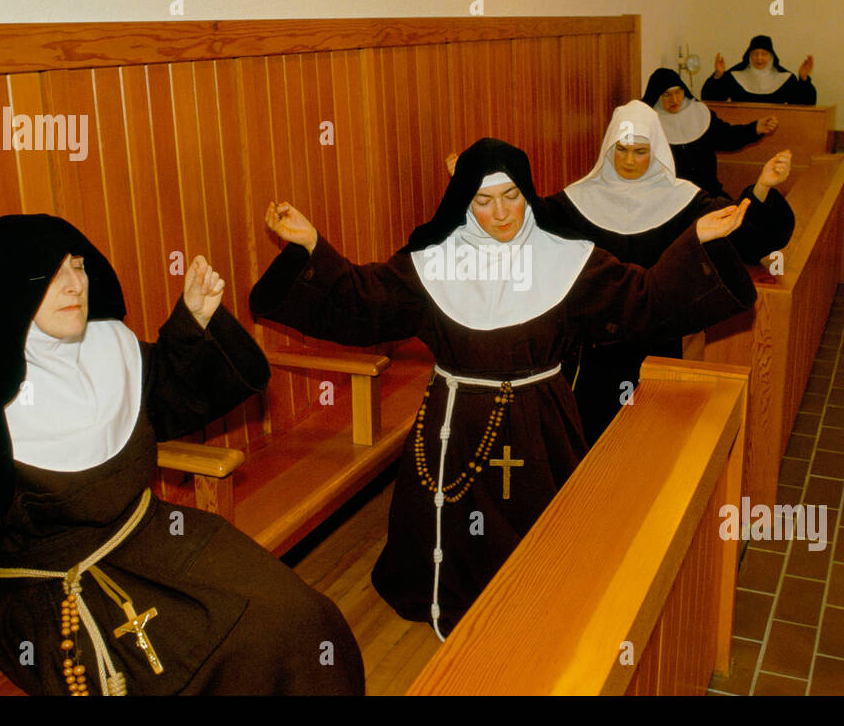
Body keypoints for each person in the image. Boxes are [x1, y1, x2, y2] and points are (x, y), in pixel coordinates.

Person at [0, 214, 364, 696]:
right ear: (5, 291)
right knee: (205, 666)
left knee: (297, 619)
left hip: (151, 534)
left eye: (79, 267)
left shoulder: (107, 345)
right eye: (50, 274)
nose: (74, 285)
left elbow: (167, 399)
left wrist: (192, 323)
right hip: (55, 589)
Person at [249, 138, 758, 638]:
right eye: (484, 200)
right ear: (464, 200)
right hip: (456, 424)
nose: (501, 213)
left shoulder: (570, 259)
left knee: (543, 537)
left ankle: (537, 602)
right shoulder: (434, 263)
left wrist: (697, 243)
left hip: (542, 424)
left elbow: (642, 300)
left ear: (529, 192)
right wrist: (312, 245)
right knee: (455, 530)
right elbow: (363, 301)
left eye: (512, 195)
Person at [540, 100, 794, 444]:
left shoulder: (684, 200)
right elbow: (524, 226)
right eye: (623, 150)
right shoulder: (575, 202)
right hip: (594, 349)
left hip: (658, 343)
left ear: (655, 150)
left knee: (656, 437)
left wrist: (763, 187)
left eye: (640, 151)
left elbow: (741, 232)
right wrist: (475, 185)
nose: (630, 160)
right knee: (594, 439)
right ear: (609, 148)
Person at [644, 66, 778, 197]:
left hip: (707, 192)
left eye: (678, 92)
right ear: (656, 97)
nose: (674, 100)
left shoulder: (700, 113)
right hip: (670, 197)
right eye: (667, 94)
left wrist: (755, 128)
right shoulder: (647, 122)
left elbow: (727, 137)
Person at [702, 34, 817, 105]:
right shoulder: (735, 76)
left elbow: (806, 103)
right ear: (749, 56)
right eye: (755, 54)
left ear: (771, 56)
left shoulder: (784, 78)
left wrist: (803, 78)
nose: (759, 58)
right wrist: (719, 75)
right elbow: (709, 98)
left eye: (764, 54)